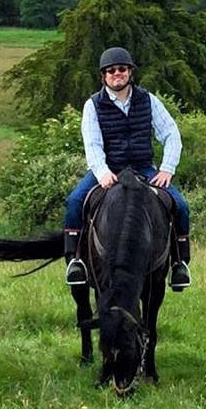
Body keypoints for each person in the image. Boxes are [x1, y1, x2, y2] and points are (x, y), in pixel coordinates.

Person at [62, 47, 192, 291]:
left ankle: (178, 264)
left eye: (122, 69)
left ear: (130, 72)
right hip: (109, 168)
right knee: (75, 200)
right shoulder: (93, 105)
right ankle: (75, 261)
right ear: (104, 76)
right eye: (111, 71)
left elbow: (171, 134)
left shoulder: (149, 100)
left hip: (144, 168)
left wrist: (167, 169)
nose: (117, 74)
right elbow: (92, 143)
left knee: (181, 206)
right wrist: (101, 172)